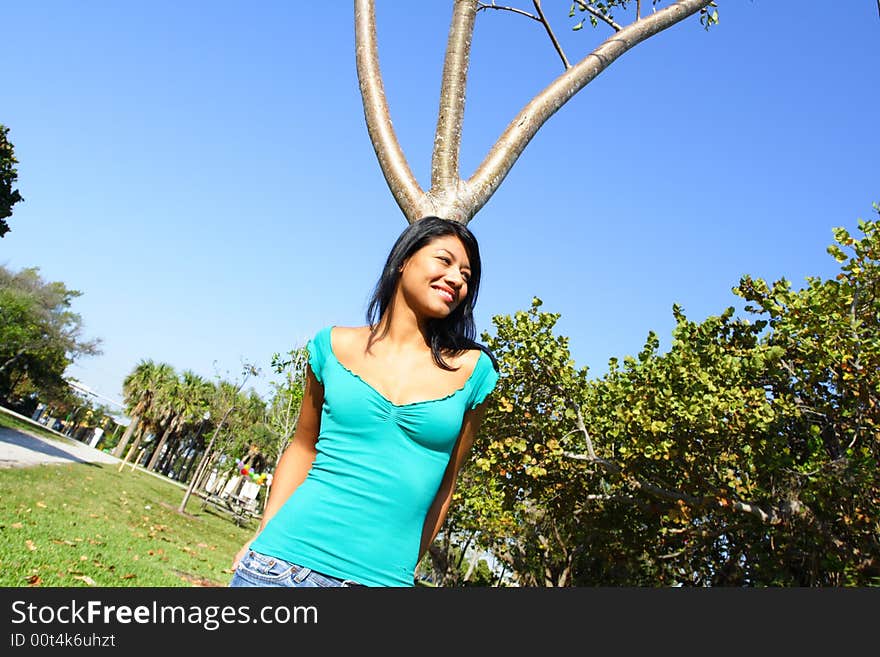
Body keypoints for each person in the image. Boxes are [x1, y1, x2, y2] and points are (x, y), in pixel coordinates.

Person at [229, 216, 500, 587]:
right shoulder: (332, 345)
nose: (457, 279)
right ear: (404, 260)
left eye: (467, 276)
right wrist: (264, 531)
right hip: (280, 567)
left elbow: (445, 486)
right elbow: (303, 446)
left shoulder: (474, 372)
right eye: (445, 261)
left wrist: (399, 572)